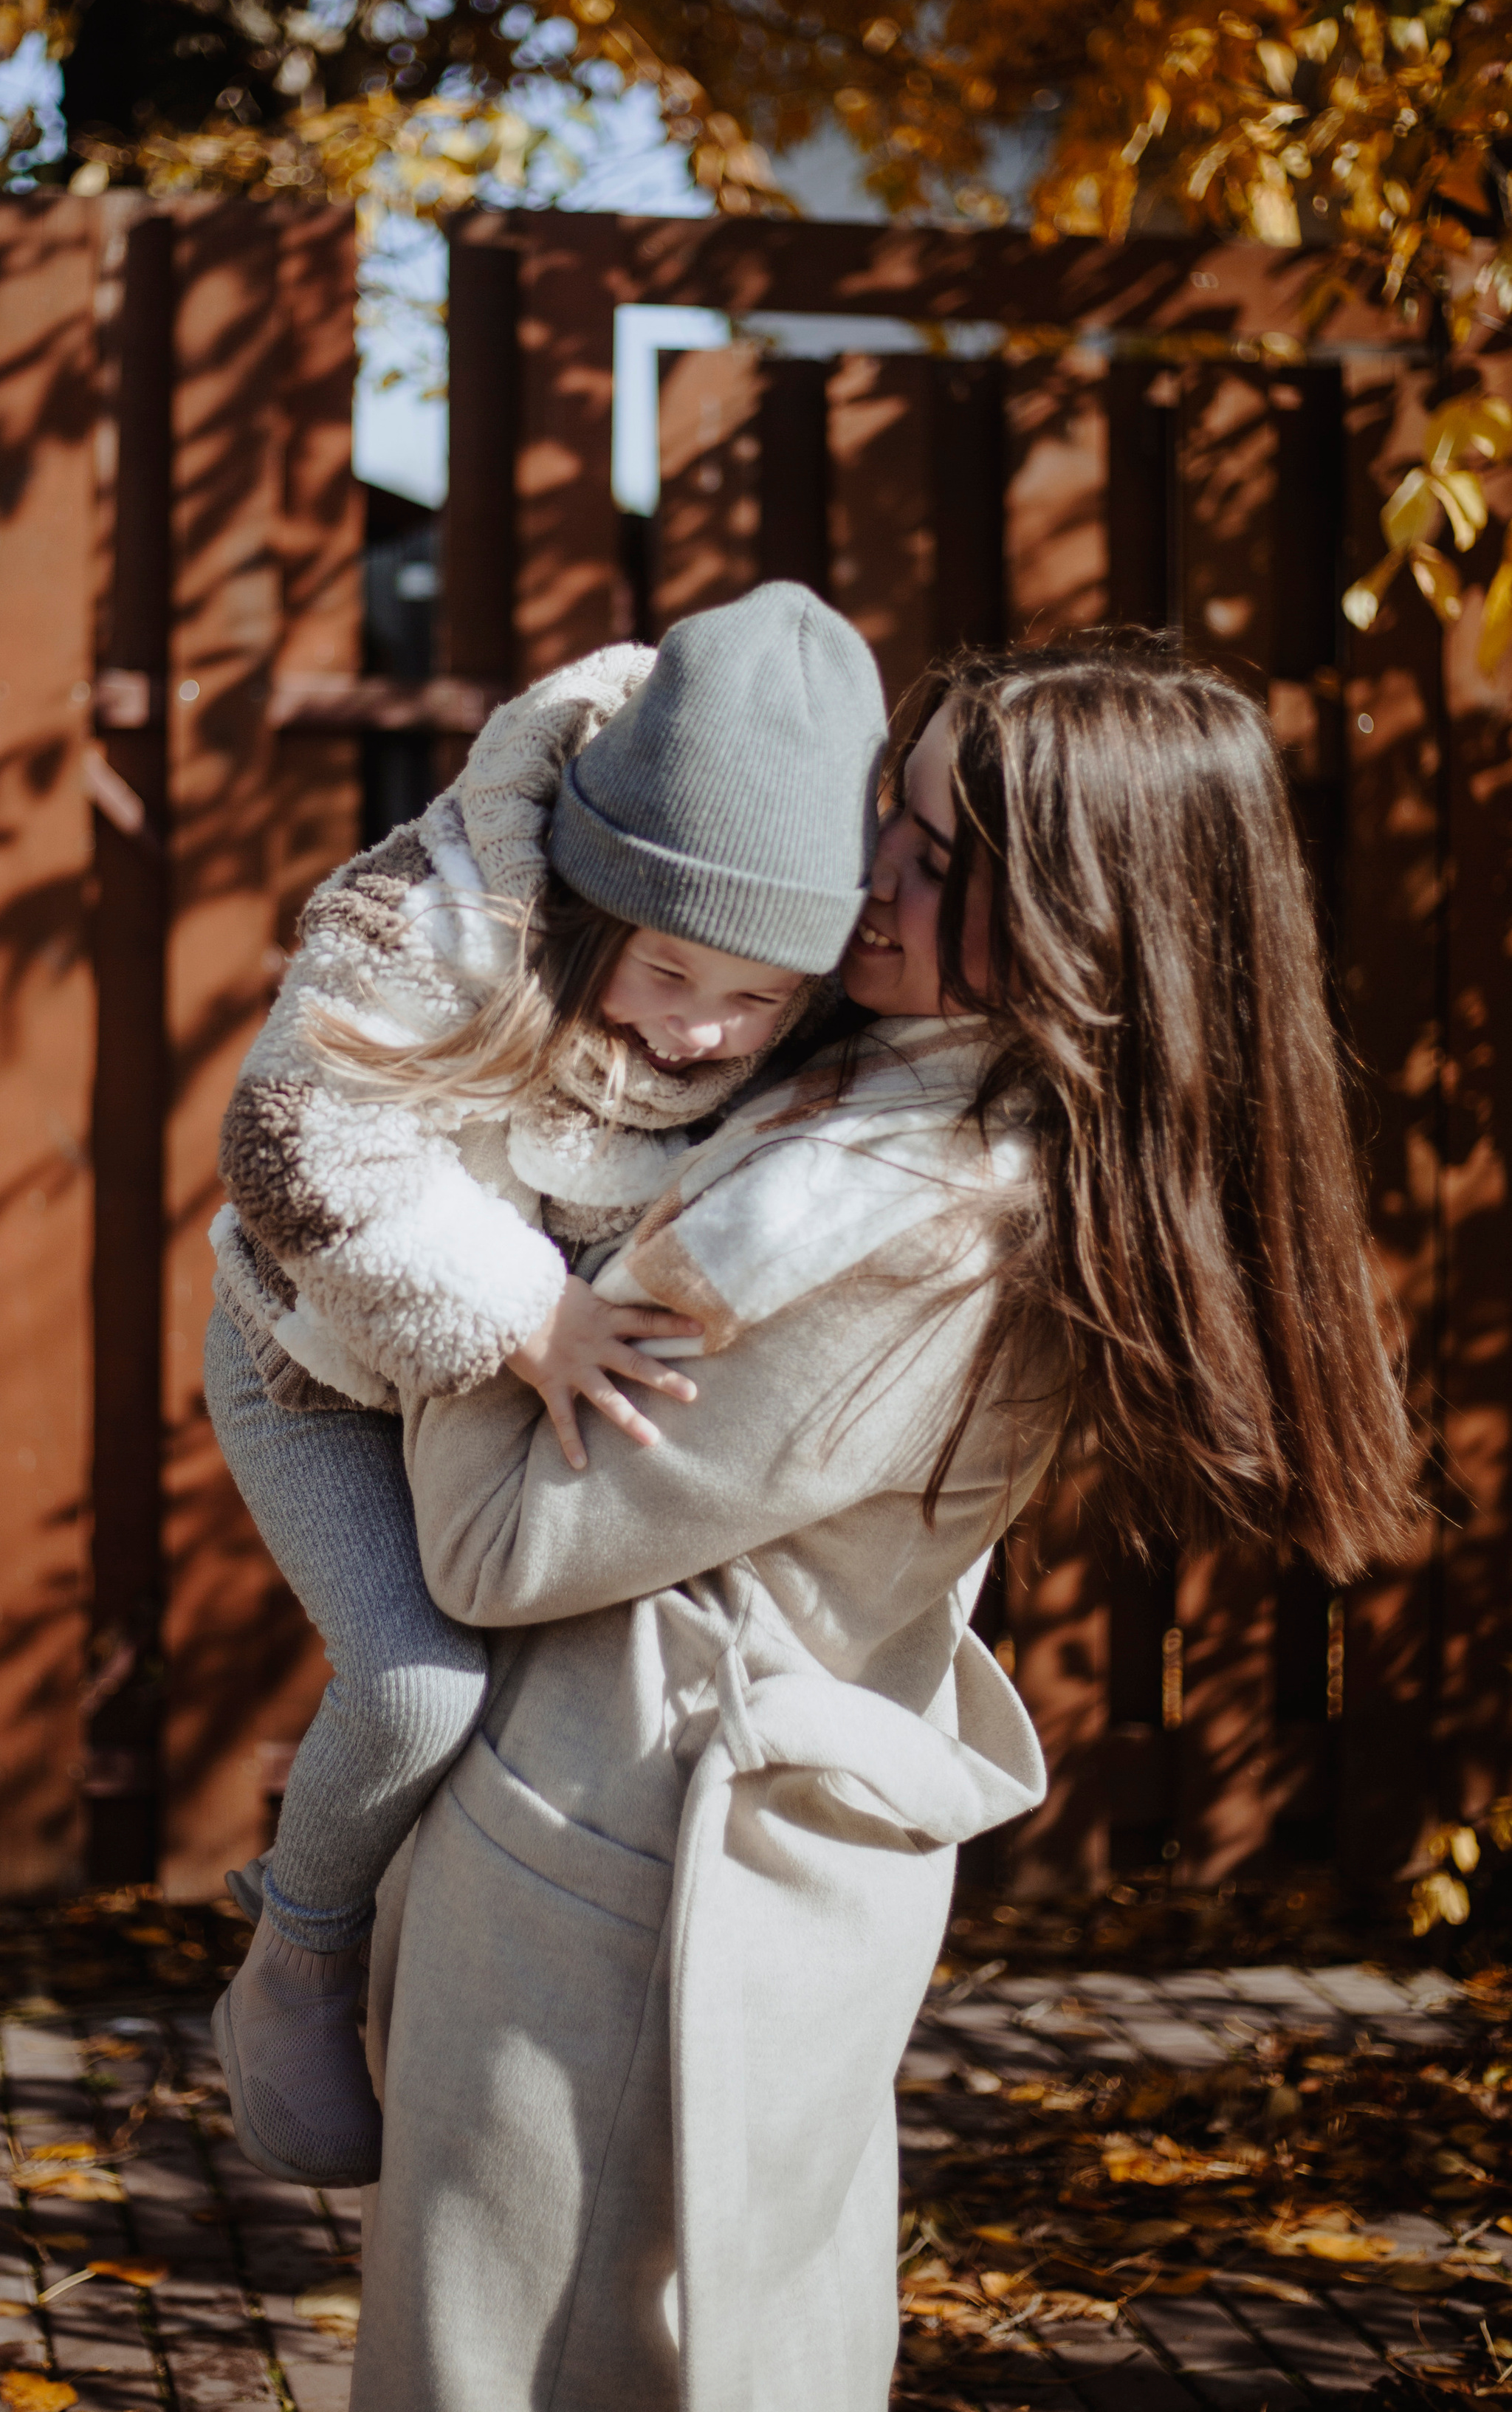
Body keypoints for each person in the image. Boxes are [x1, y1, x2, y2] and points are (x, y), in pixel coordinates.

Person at [351, 635, 1420, 2412]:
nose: (875, 884)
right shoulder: (901, 1072)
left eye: (939, 858)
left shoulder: (908, 1234)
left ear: (1087, 916)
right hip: (654, 1844)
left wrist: (449, 1242)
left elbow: (498, 1551)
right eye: (889, 821)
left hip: (627, 1884)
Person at [205, 582, 887, 2187]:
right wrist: (523, 1311)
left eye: (758, 998)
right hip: (311, 1366)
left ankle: (462, 2010)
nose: (705, 1026)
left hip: (507, 1402)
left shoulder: (770, 1012)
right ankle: (292, 1964)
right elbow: (288, 1138)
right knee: (417, 1685)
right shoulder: (445, 910)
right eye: (667, 970)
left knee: (566, 1707)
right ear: (589, 900)